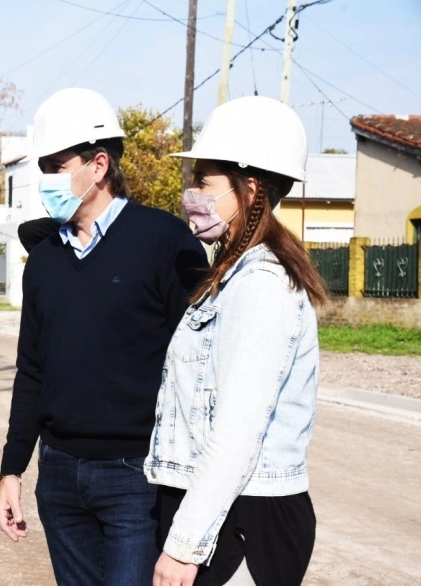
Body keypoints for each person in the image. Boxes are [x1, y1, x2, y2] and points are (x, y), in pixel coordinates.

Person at [0, 87, 209, 585]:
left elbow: (198, 367)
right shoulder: (45, 258)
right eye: (42, 167)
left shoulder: (163, 241)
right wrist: (11, 471)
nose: (46, 178)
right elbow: (31, 370)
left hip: (136, 478)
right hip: (60, 478)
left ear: (98, 165)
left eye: (55, 164)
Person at [145, 96, 327, 586]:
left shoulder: (261, 284)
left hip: (247, 518)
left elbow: (237, 433)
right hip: (229, 511)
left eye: (204, 182)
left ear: (248, 189)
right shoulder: (232, 275)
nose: (192, 195)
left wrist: (184, 546)